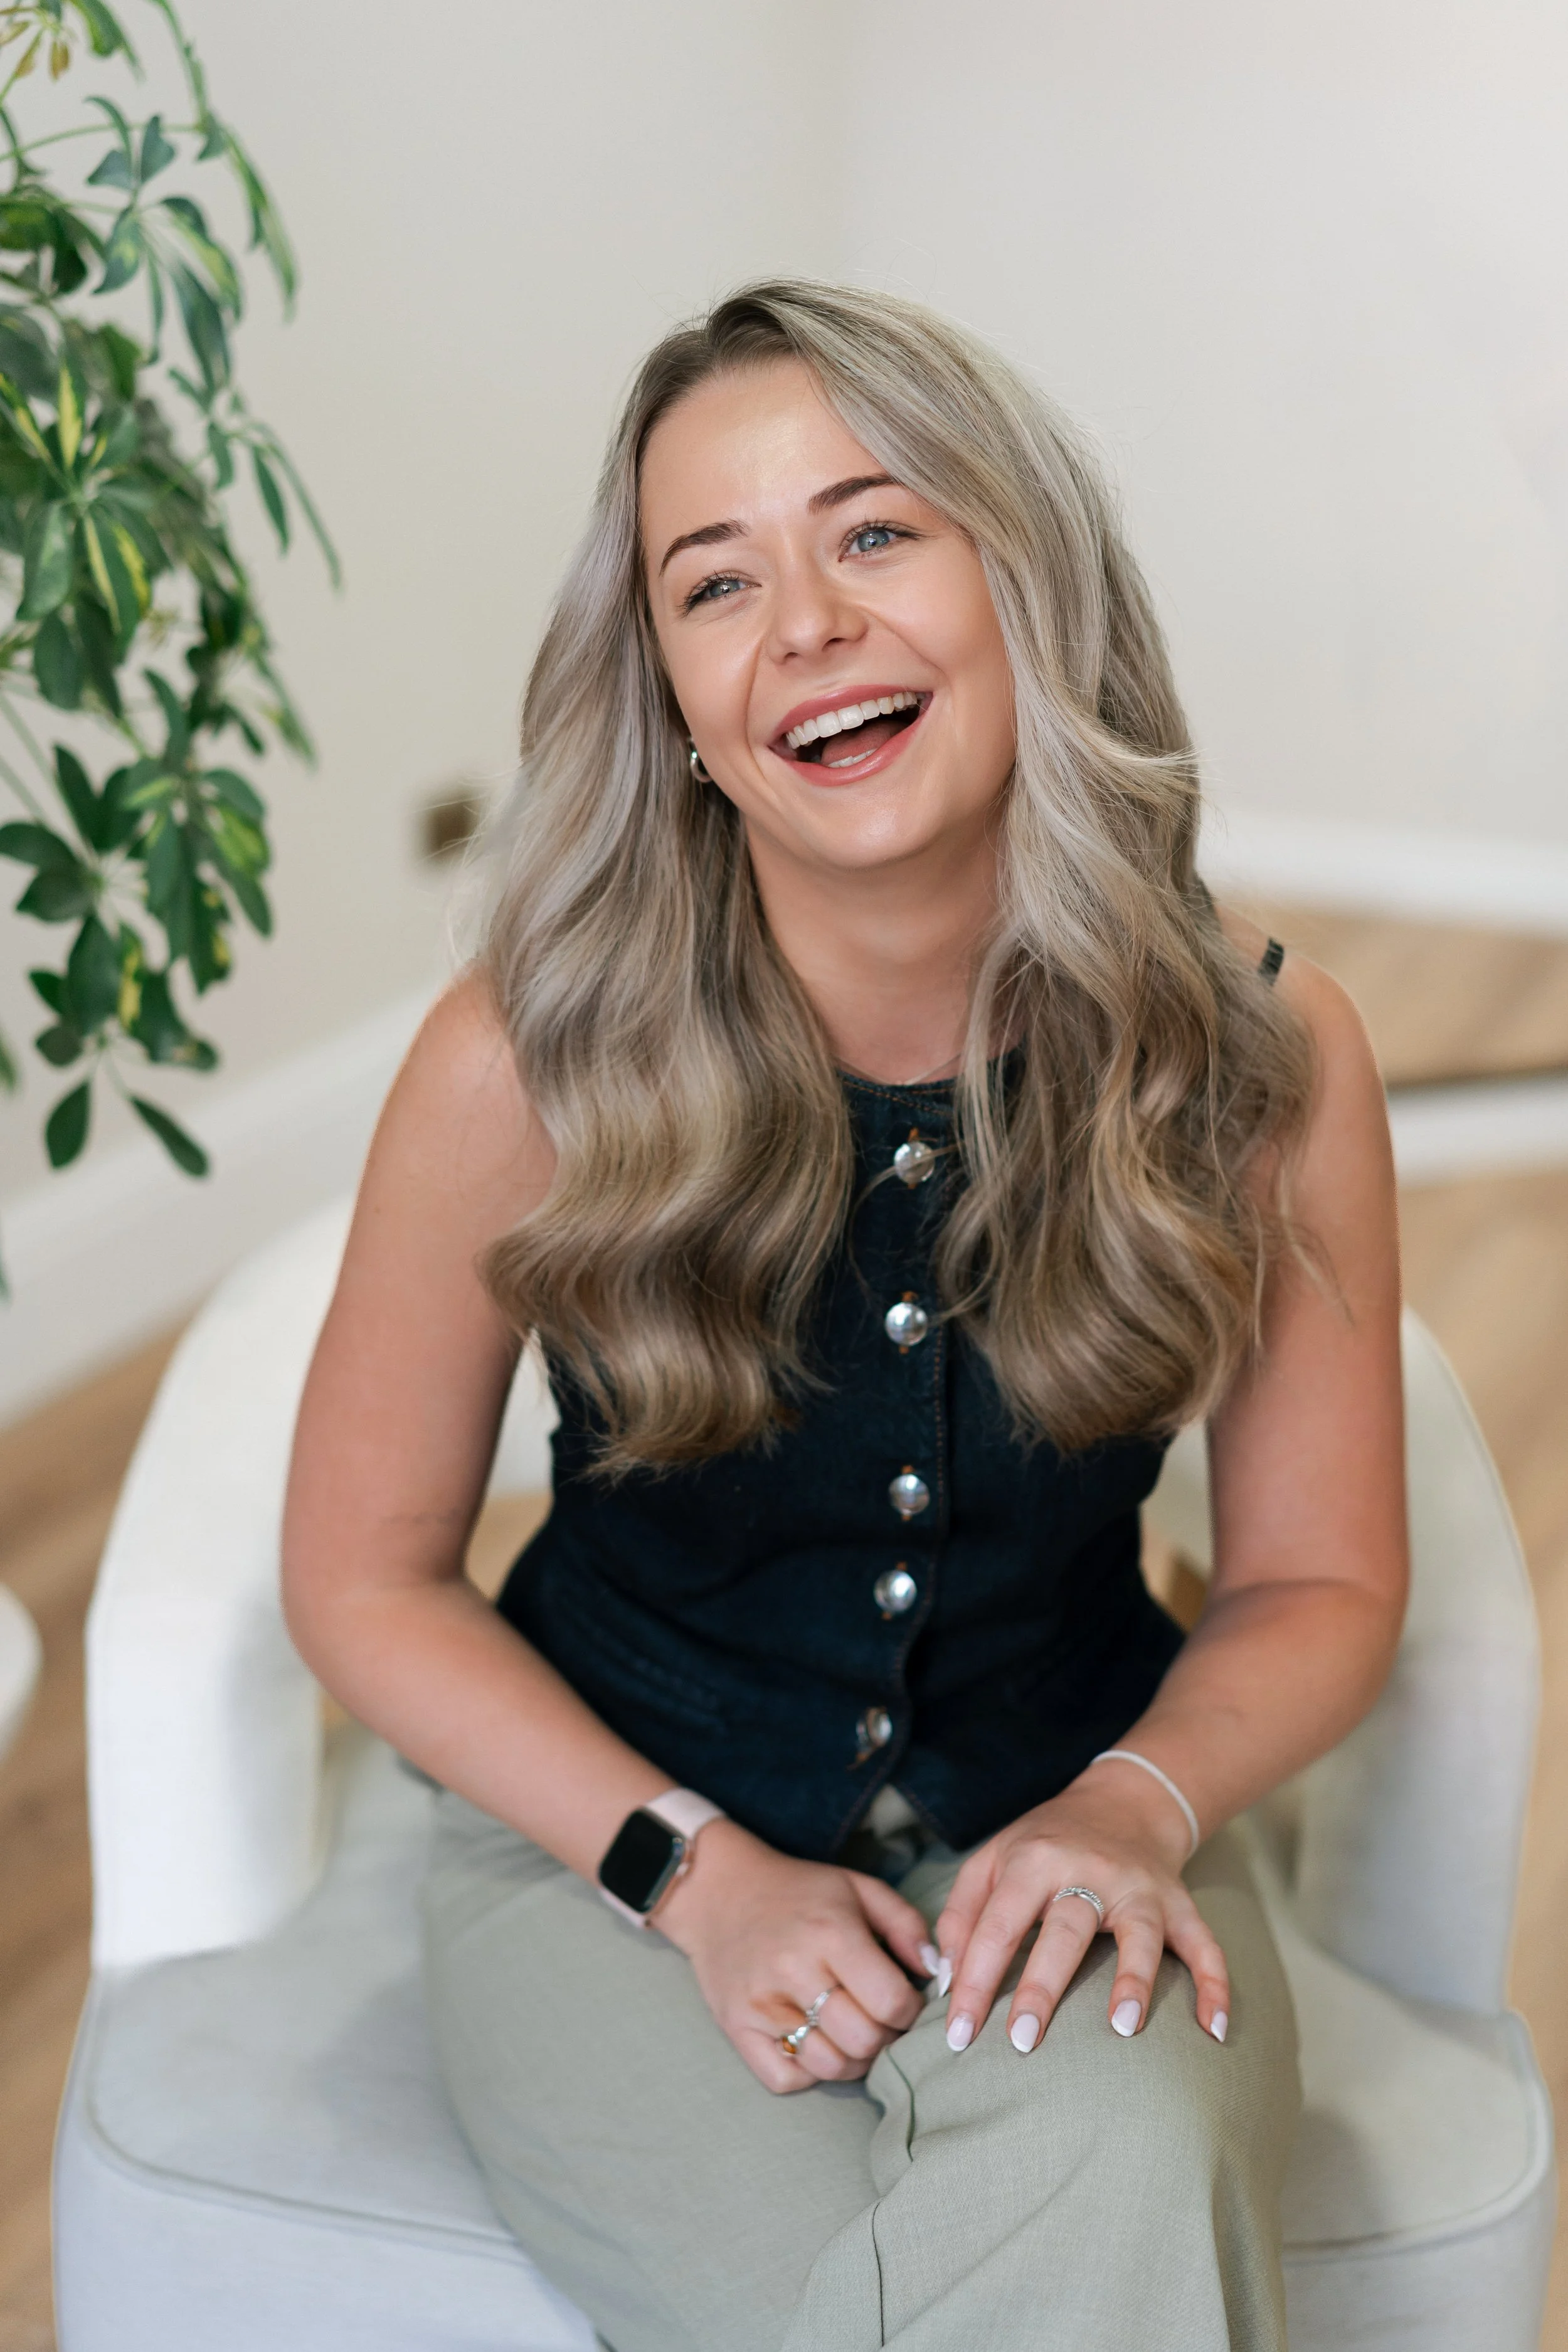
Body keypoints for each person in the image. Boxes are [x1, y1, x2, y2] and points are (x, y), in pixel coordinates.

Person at [282, 281, 1407, 2352]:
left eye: (875, 531)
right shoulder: (516, 1063)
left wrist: (1129, 1804)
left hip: (1080, 1808)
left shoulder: (1264, 1051)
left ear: (1030, 586)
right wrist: (690, 1871)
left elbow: (1318, 1579)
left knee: (1127, 2178)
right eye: (715, 583)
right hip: (609, 1849)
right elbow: (359, 1578)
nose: (802, 621)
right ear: (677, 707)